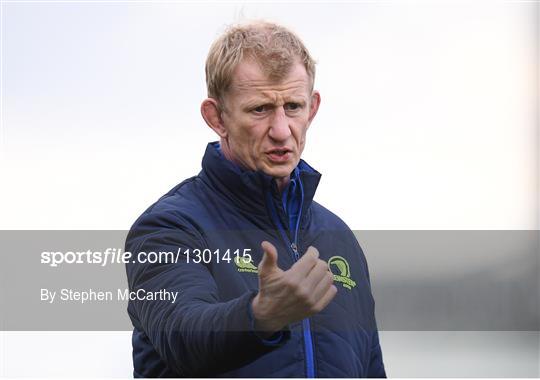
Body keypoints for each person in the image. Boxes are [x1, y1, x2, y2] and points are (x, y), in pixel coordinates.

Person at [125, 20, 386, 378]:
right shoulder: (169, 227)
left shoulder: (337, 236)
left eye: (293, 107)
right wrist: (261, 315)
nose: (281, 130)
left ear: (312, 108)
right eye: (259, 109)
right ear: (216, 117)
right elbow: (181, 338)